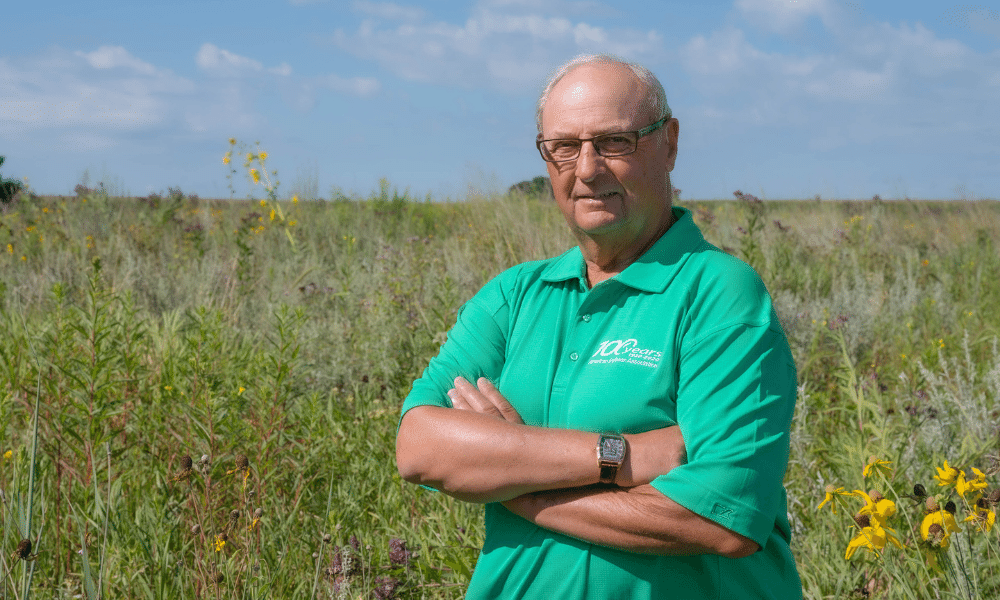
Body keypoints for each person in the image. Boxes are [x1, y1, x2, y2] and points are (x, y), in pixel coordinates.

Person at [396, 54, 802, 599]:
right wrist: (619, 457)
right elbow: (419, 447)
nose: (586, 169)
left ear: (671, 143)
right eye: (563, 147)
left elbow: (722, 516)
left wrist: (509, 479)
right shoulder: (514, 296)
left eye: (614, 142)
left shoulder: (718, 293)